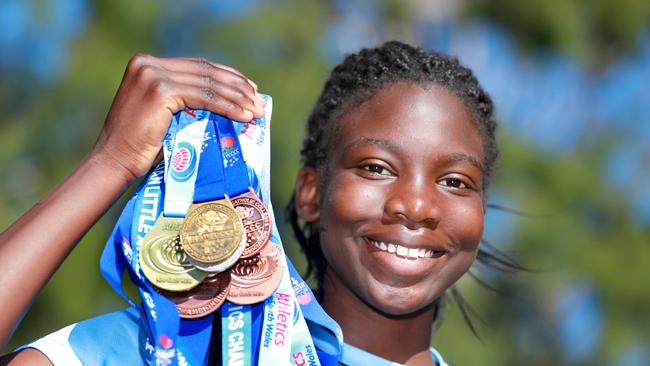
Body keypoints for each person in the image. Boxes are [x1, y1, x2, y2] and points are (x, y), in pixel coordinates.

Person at [0, 41, 497, 365]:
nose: (415, 204)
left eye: (455, 182)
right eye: (374, 168)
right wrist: (111, 161)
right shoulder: (162, 350)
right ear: (310, 194)